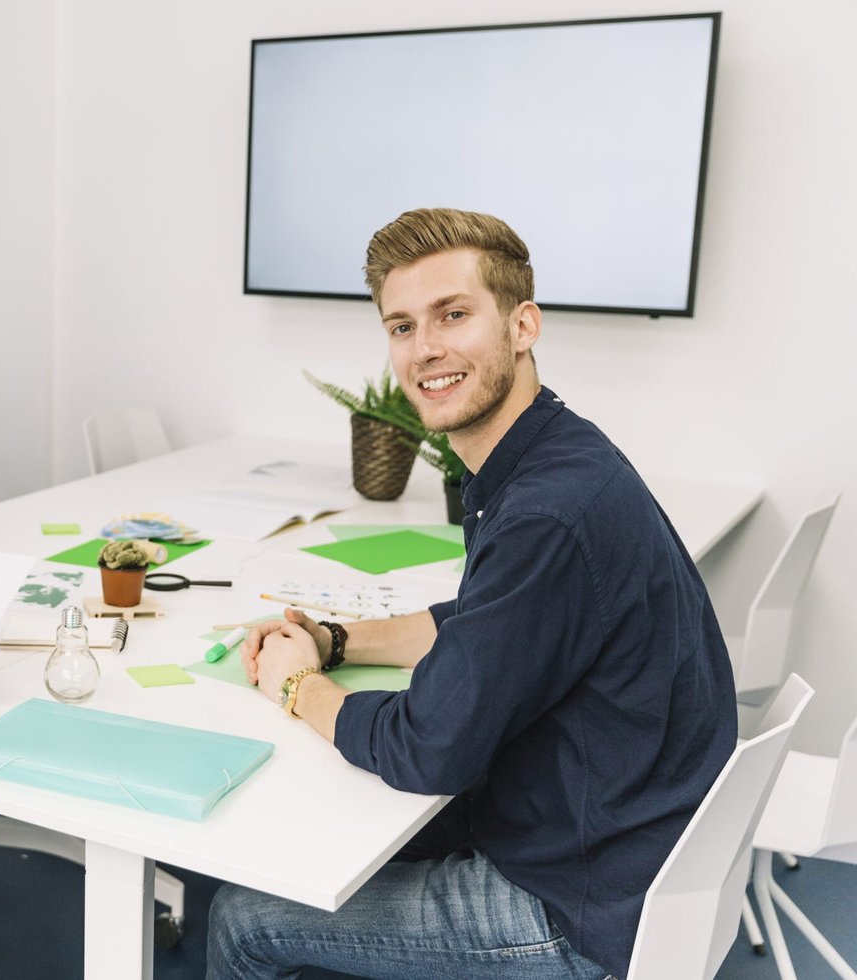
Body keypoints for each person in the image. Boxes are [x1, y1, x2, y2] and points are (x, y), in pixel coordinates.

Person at [206, 209, 736, 980]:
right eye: (401, 326)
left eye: (453, 315)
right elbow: (488, 623)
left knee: (244, 918)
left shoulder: (547, 512)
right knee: (332, 840)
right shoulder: (553, 456)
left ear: (523, 325)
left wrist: (297, 687)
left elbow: (429, 749)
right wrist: (336, 639)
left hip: (578, 905)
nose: (425, 348)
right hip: (627, 844)